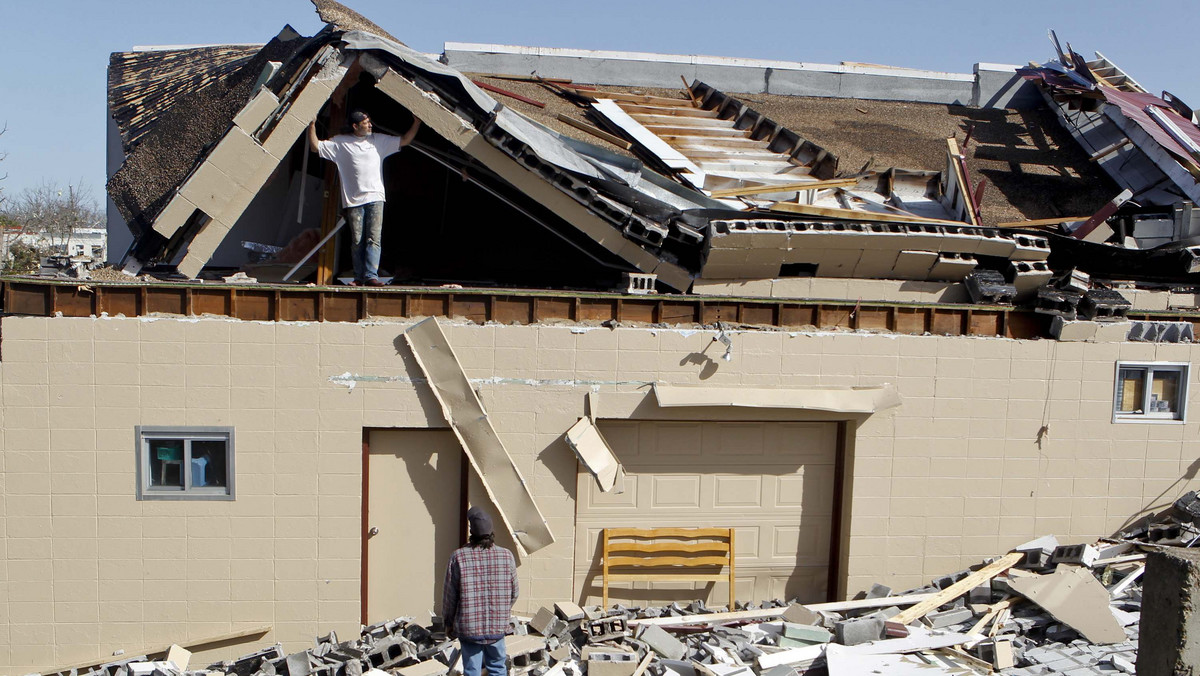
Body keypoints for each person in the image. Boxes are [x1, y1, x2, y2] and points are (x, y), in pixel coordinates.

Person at [307, 110, 420, 286]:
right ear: (355, 126)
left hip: (375, 196)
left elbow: (405, 140)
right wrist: (312, 125)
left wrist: (417, 123)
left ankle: (371, 276)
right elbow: (316, 147)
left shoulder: (378, 141)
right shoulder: (341, 142)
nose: (370, 125)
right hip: (353, 199)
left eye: (369, 122)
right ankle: (359, 277)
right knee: (357, 240)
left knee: (373, 238)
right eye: (366, 123)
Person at [443, 507, 518, 676]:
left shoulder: (458, 557)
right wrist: (501, 611)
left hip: (469, 628)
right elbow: (514, 592)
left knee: (472, 670)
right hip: (498, 627)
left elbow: (450, 597)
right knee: (498, 668)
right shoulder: (506, 556)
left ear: (471, 532)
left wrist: (448, 622)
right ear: (492, 532)